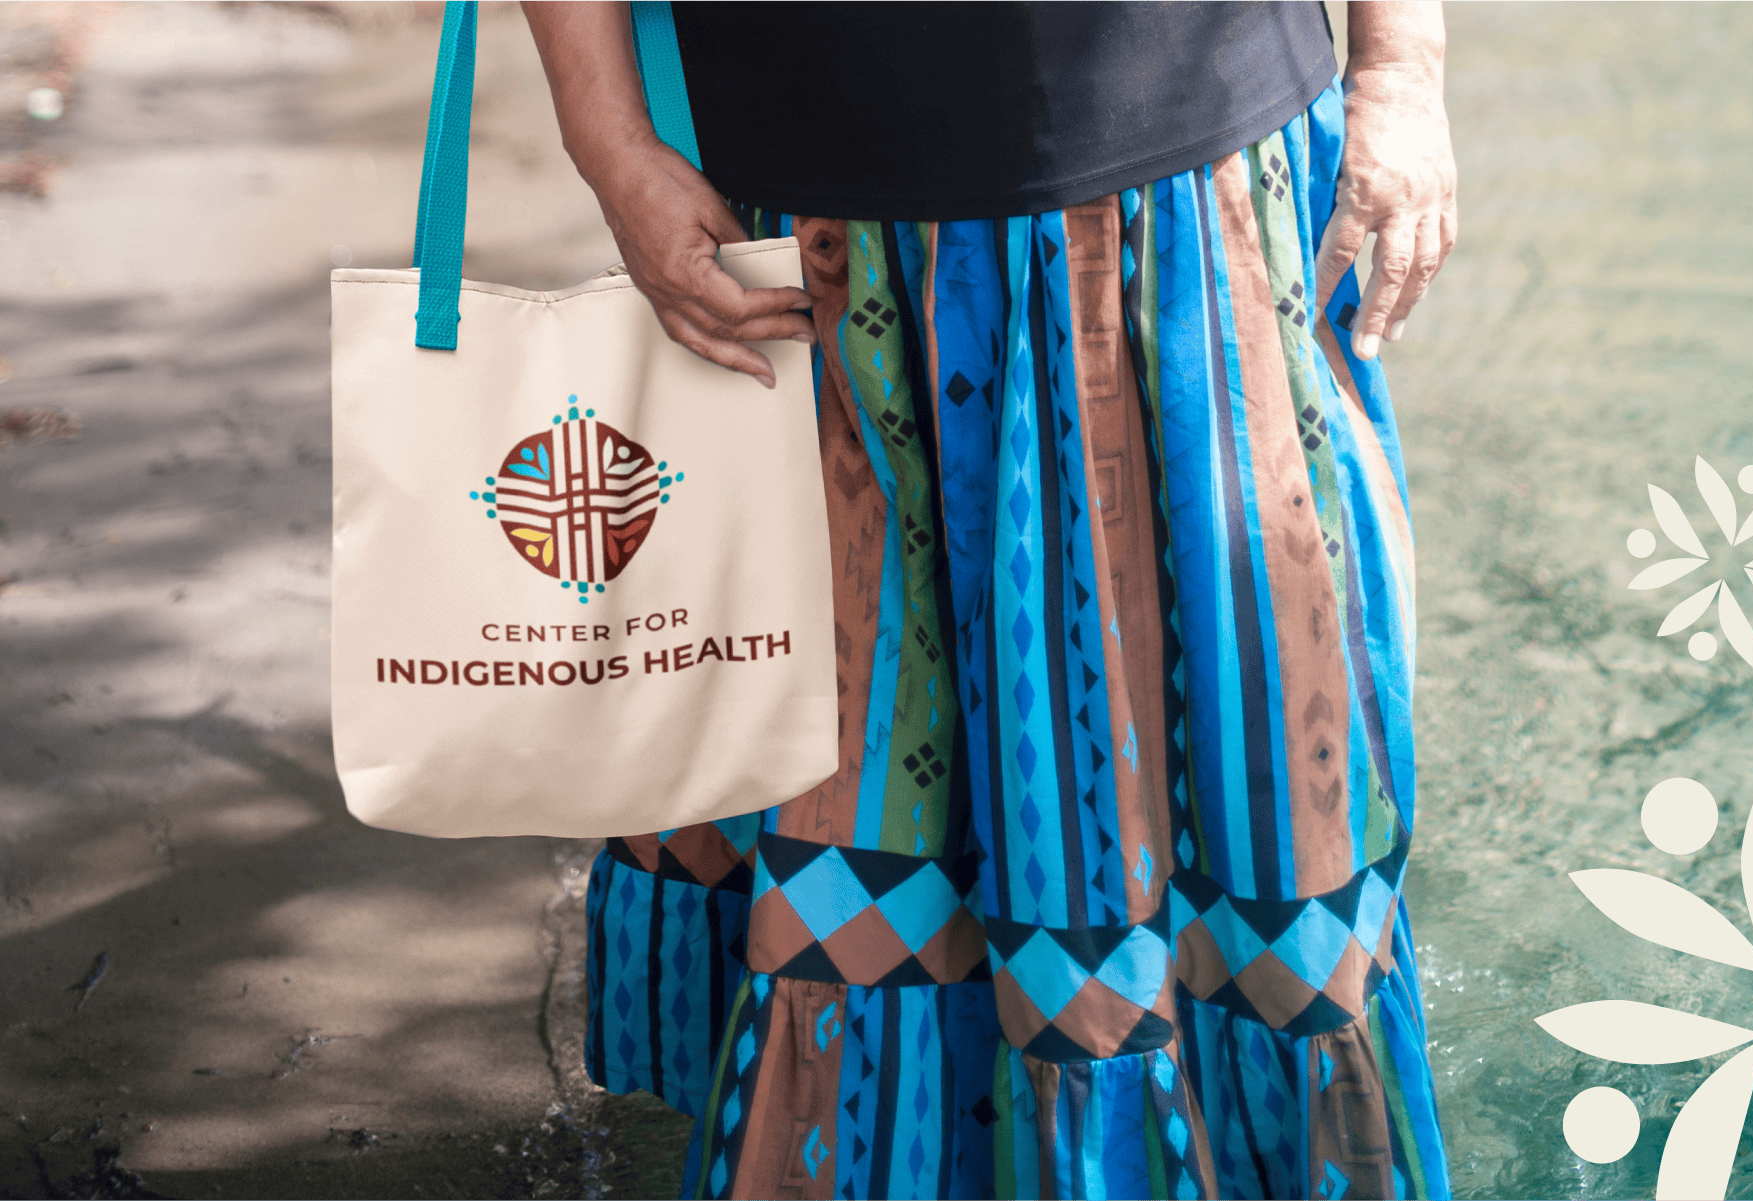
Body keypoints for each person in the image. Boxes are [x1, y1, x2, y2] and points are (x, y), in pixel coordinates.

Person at [523, 2, 1455, 1197]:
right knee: (859, 798)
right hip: (812, 233)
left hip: (1189, 210)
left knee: (1236, 794)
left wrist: (1401, 71)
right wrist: (607, 140)